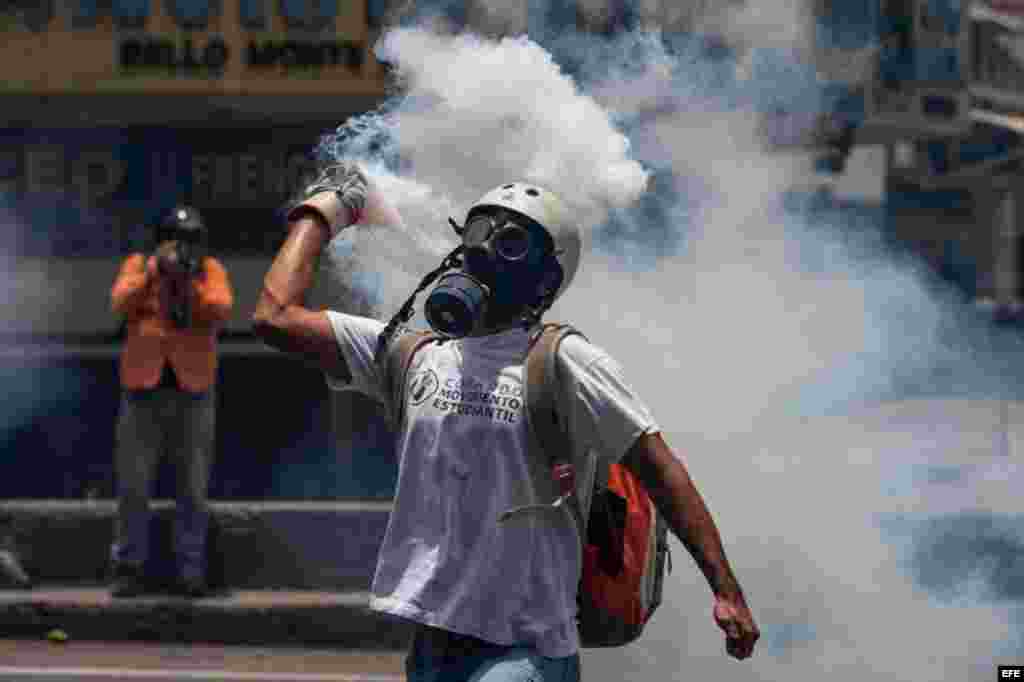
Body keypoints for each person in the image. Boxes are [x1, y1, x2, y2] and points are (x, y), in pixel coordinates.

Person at [252, 162, 759, 681]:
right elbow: (274, 317)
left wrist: (726, 591)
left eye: (512, 241)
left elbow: (661, 471)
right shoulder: (412, 356)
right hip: (433, 643)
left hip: (524, 647)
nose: (484, 250)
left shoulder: (565, 362)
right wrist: (327, 209)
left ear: (546, 279)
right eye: (478, 230)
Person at [109, 205, 234, 598]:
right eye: (176, 240)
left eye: (190, 240)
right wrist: (154, 272)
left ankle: (190, 571)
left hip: (192, 392)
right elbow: (119, 302)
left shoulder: (209, 270)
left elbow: (220, 308)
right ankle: (128, 568)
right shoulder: (139, 265)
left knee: (192, 486)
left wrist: (188, 280)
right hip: (143, 390)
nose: (183, 248)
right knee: (133, 485)